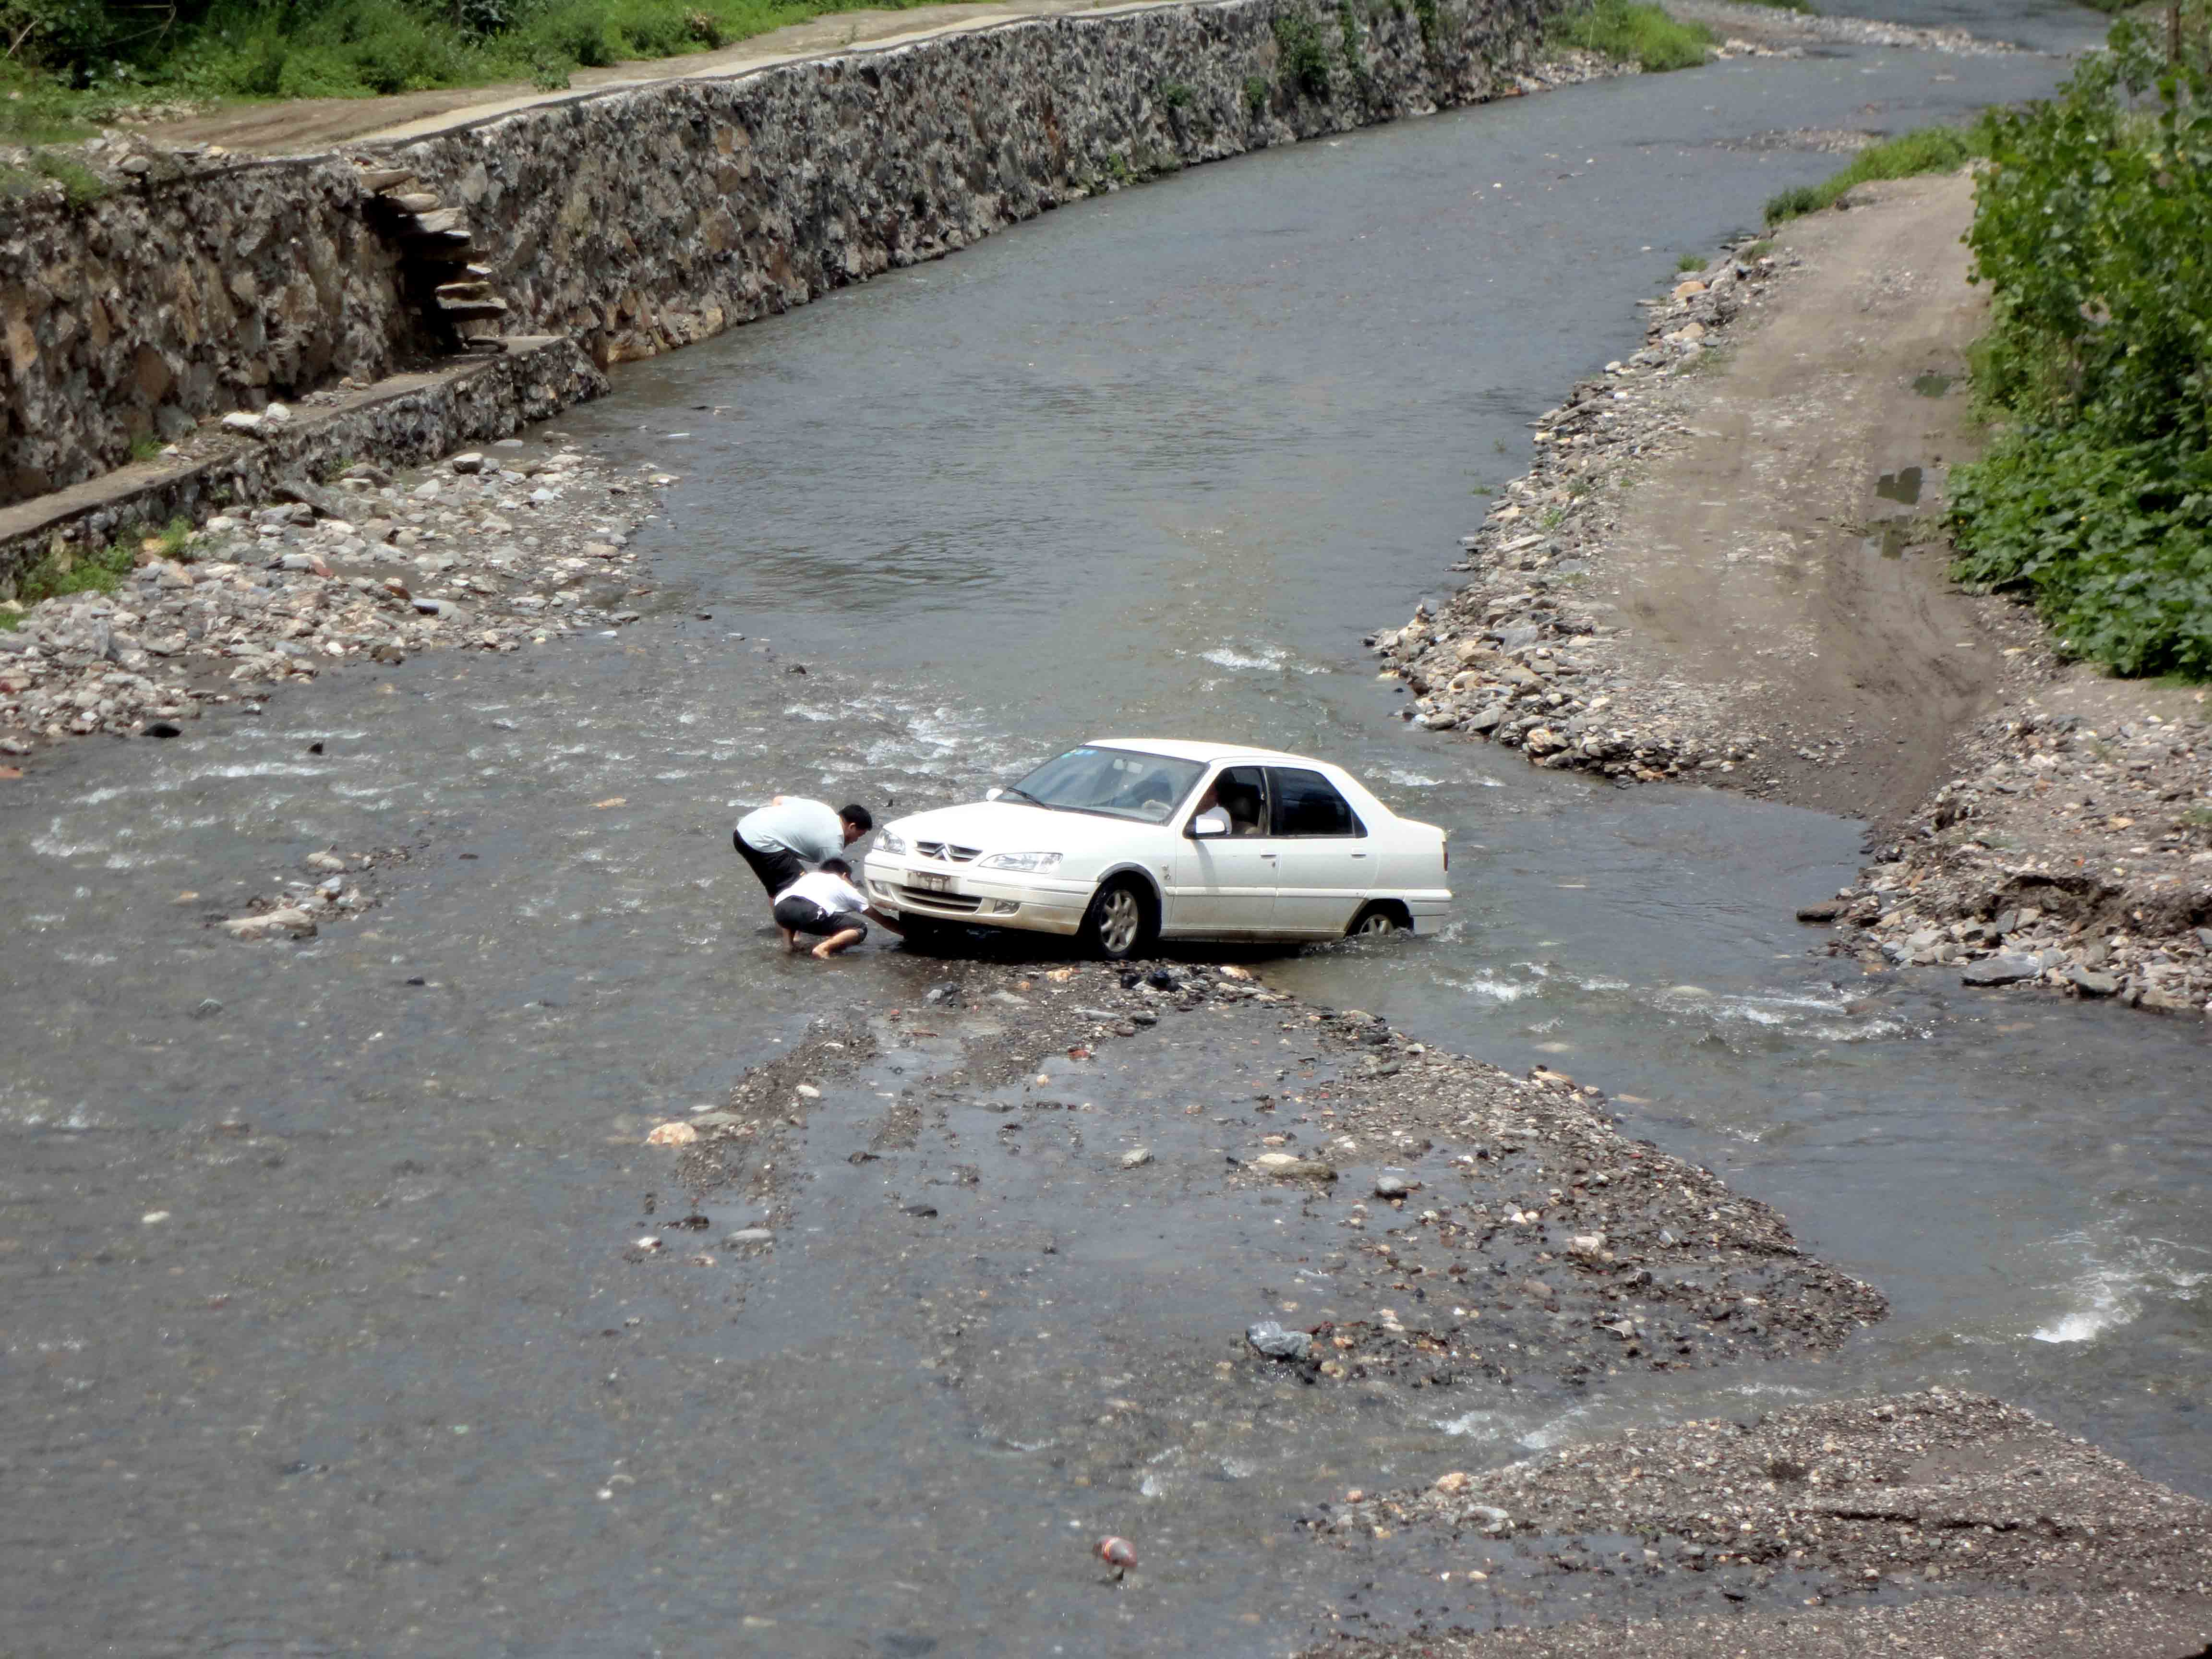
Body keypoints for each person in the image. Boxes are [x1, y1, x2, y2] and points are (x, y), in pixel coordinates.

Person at [733, 795, 873, 902]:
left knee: (777, 887)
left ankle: (783, 932)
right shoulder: (832, 842)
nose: (855, 841)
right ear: (852, 827)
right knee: (800, 889)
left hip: (744, 829)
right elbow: (831, 881)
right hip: (760, 841)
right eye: (859, 836)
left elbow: (778, 800)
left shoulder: (824, 809)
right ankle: (795, 937)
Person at [772, 858, 898, 959]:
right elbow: (880, 919)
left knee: (794, 908)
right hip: (809, 911)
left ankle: (789, 946)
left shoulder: (810, 877)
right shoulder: (845, 886)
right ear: (845, 876)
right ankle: (823, 948)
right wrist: (906, 932)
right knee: (860, 928)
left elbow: (794, 905)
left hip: (780, 909)